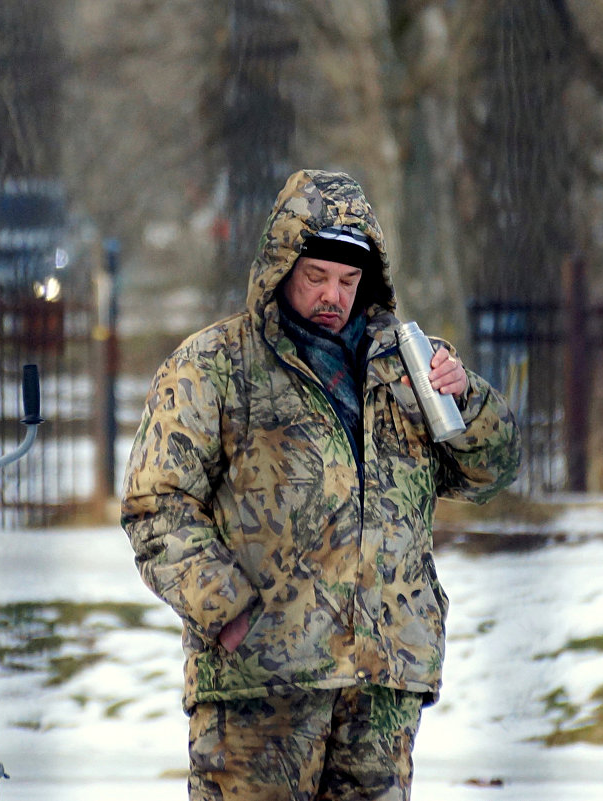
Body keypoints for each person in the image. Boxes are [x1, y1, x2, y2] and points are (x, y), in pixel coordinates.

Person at [121, 169, 521, 800]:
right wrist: (229, 615)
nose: (334, 295)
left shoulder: (411, 363)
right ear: (282, 265)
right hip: (261, 682)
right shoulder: (215, 364)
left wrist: (464, 398)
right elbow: (157, 505)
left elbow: (490, 472)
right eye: (317, 277)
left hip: (383, 677)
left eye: (349, 280)